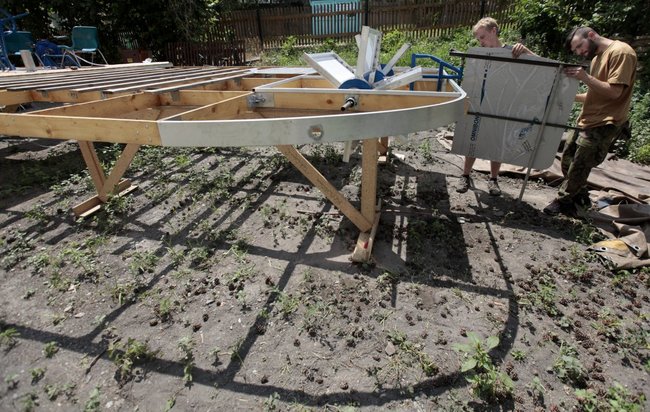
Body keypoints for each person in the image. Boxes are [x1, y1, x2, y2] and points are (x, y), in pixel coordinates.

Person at [543, 27, 637, 216]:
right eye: (576, 50)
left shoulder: (621, 52)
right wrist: (569, 97)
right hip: (587, 118)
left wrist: (584, 77)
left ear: (592, 35)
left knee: (580, 164)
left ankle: (563, 202)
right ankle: (579, 195)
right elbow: (595, 93)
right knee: (567, 160)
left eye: (579, 46)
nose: (579, 52)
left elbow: (614, 92)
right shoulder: (596, 58)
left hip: (606, 121)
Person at [457, 17, 536, 196]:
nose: (481, 42)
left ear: (494, 31)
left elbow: (542, 66)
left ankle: (493, 179)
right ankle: (465, 175)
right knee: (473, 138)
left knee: (498, 142)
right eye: (478, 39)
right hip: (483, 101)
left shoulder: (512, 51)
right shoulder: (482, 53)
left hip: (505, 105)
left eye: (482, 37)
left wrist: (526, 51)